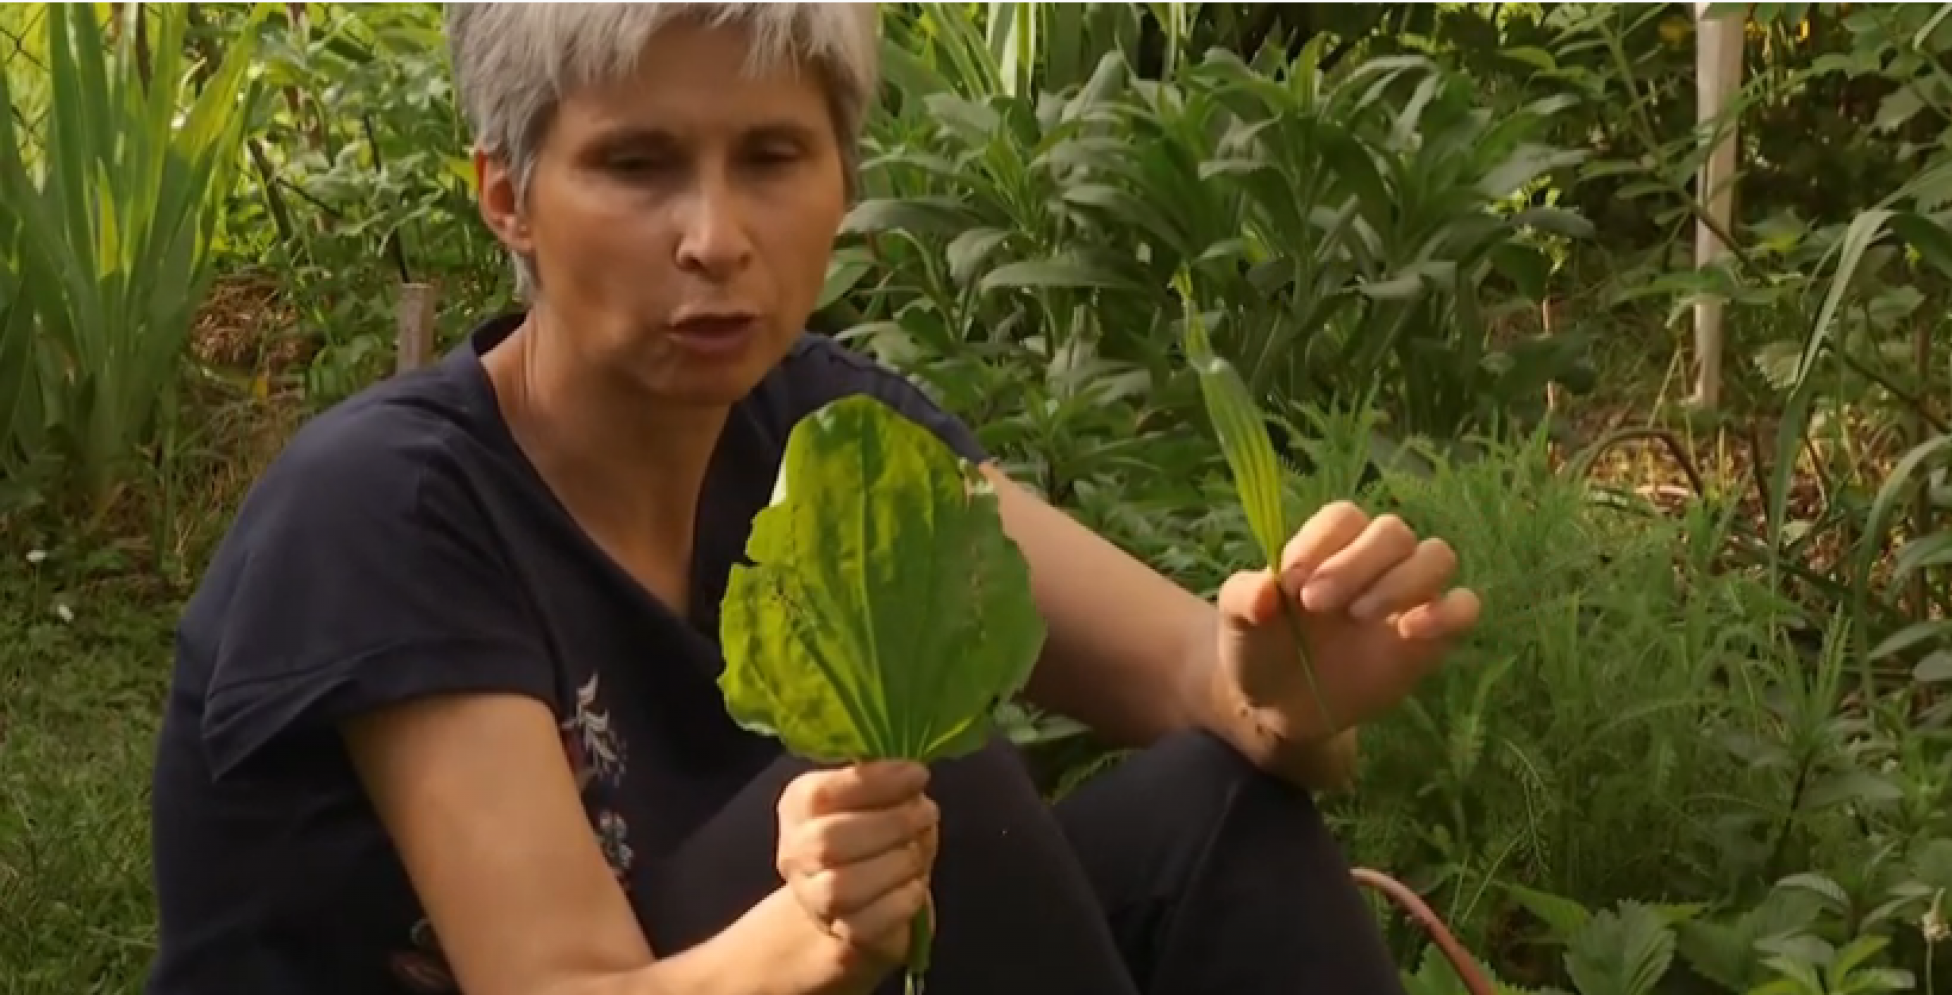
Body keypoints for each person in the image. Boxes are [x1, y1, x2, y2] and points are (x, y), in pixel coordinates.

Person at [144, 5, 1483, 995]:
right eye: (636, 164)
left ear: (842, 182)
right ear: (509, 197)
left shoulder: (832, 436)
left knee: (1212, 811)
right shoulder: (383, 507)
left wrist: (1277, 692)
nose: (714, 236)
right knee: (922, 785)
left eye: (772, 158)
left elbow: (1207, 677)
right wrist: (809, 939)